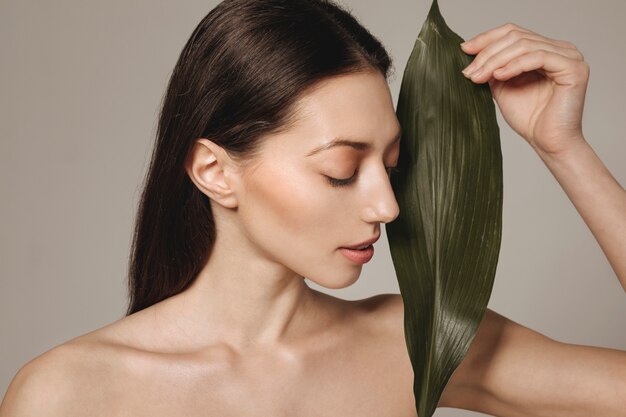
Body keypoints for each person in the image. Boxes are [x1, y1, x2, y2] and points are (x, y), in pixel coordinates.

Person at [1, 0, 625, 415]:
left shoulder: (416, 341)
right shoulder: (69, 394)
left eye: (391, 168)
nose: (387, 205)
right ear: (215, 171)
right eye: (340, 170)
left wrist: (562, 146)